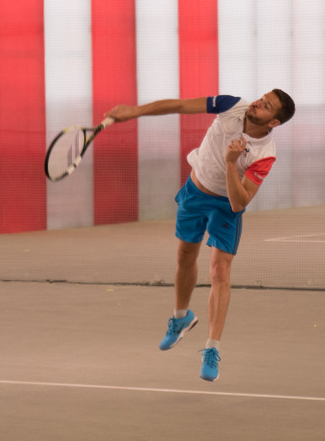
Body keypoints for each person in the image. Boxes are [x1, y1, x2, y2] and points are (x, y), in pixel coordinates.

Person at [106, 89, 295, 381]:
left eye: (266, 106)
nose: (257, 103)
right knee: (184, 256)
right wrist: (135, 111)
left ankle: (212, 348)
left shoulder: (264, 154)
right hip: (194, 192)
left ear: (274, 122)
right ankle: (181, 318)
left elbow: (239, 203)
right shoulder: (231, 106)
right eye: (261, 98)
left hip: (225, 206)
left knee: (219, 271)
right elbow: (180, 105)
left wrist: (231, 162)